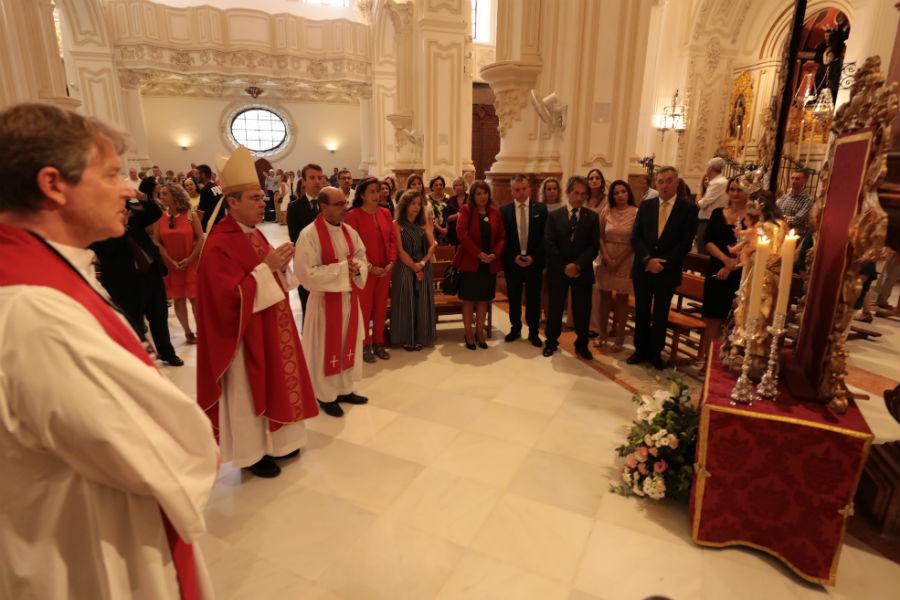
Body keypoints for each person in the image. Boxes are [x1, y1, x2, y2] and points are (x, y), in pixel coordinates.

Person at [0, 102, 217, 599]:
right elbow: (145, 451)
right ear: (54, 185)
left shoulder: (49, 273)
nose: (128, 190)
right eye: (113, 174)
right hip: (87, 547)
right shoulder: (36, 312)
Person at [196, 146, 318, 478]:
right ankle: (252, 455)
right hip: (242, 335)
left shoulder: (253, 232)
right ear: (232, 203)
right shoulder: (219, 242)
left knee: (279, 380)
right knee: (247, 392)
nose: (263, 201)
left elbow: (265, 273)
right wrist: (268, 268)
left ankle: (280, 443)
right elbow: (226, 297)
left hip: (270, 325)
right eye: (254, 198)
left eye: (260, 197)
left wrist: (277, 266)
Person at [295, 186, 370, 418]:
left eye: (345, 203)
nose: (344, 209)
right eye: (339, 205)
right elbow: (306, 274)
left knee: (348, 343)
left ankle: (345, 389)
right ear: (323, 206)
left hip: (349, 299)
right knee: (325, 349)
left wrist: (358, 267)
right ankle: (326, 395)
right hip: (325, 304)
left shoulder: (349, 231)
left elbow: (361, 255)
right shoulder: (309, 235)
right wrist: (341, 270)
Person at [93, 179, 184, 367]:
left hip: (150, 272)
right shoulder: (96, 221)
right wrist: (119, 229)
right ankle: (140, 359)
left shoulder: (128, 208)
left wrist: (141, 197)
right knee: (133, 321)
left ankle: (167, 353)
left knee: (159, 316)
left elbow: (155, 213)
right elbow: (103, 251)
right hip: (125, 280)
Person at [628, 166, 699, 370]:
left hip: (667, 272)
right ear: (656, 184)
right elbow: (636, 237)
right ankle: (640, 349)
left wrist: (661, 262)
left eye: (669, 181)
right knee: (641, 311)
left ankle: (655, 352)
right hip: (643, 269)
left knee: (660, 314)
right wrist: (648, 260)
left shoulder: (688, 209)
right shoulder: (647, 205)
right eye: (661, 181)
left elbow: (685, 243)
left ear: (677, 182)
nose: (665, 185)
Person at [543, 176, 600, 359]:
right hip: (558, 270)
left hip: (581, 271)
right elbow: (549, 242)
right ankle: (551, 341)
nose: (580, 197)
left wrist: (577, 265)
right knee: (555, 307)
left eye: (583, 194)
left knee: (582, 308)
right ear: (567, 193)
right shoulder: (554, 216)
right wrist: (565, 266)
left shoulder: (592, 217)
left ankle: (582, 343)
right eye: (576, 193)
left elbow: (594, 246)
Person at [344, 177, 396, 362]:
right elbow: (352, 247)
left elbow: (391, 239)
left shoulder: (385, 212)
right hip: (365, 272)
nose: (377, 194)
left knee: (381, 308)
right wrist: (370, 267)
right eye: (372, 191)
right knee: (365, 309)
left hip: (384, 269)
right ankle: (365, 344)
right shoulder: (353, 216)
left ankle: (379, 342)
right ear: (362, 195)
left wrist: (390, 261)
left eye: (378, 190)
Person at [698, 176, 749, 362]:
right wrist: (725, 259)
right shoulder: (718, 212)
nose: (735, 193)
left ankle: (722, 358)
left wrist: (731, 266)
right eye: (732, 189)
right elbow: (708, 240)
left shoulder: (752, 217)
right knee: (711, 316)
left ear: (747, 192)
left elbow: (749, 247)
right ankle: (706, 358)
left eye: (739, 189)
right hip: (716, 268)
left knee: (728, 318)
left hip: (739, 273)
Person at [455, 180, 506, 349]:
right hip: (471, 262)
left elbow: (501, 237)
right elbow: (462, 234)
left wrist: (494, 254)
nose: (482, 196)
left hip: (489, 263)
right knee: (469, 299)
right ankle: (468, 332)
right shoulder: (466, 210)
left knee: (484, 299)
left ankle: (480, 332)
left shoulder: (494, 212)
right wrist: (478, 253)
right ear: (473, 195)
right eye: (478, 193)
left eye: (485, 193)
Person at [501, 174, 547, 347]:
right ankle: (515, 328)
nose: (520, 193)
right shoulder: (504, 211)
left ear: (529, 189)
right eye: (516, 190)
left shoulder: (541, 209)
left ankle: (533, 331)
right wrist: (514, 256)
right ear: (511, 191)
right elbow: (502, 239)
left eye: (523, 189)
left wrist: (533, 257)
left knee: (534, 298)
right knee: (514, 297)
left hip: (533, 262)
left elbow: (545, 238)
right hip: (513, 262)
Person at [593, 180, 638, 353]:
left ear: (628, 193)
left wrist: (618, 259)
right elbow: (600, 236)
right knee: (604, 299)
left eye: (623, 192)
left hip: (626, 259)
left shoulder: (636, 213)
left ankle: (619, 337)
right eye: (616, 192)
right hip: (606, 258)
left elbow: (635, 240)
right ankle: (602, 334)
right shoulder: (606, 211)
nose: (620, 195)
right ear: (612, 196)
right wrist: (606, 256)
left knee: (621, 300)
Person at [390, 190, 437, 350]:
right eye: (413, 204)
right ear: (405, 205)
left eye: (419, 204)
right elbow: (399, 250)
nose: (417, 207)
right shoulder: (397, 224)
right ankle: (405, 338)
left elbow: (433, 245)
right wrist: (412, 265)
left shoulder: (423, 223)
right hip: (404, 267)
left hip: (423, 266)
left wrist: (422, 263)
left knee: (421, 302)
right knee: (406, 301)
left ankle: (421, 337)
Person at [158, 183, 202, 344]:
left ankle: (201, 330)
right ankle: (187, 332)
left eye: (164, 194)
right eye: (161, 194)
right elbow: (157, 242)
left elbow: (200, 238)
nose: (161, 197)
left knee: (195, 299)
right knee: (178, 299)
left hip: (190, 263)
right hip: (172, 266)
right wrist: (169, 261)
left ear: (175, 195)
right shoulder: (161, 217)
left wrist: (190, 259)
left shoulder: (191, 215)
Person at [287, 163, 327, 319]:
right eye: (312, 178)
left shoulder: (328, 204)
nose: (317, 181)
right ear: (303, 181)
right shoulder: (294, 207)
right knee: (308, 308)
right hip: (307, 264)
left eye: (320, 178)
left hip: (327, 263)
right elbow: (295, 237)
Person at [695, 157, 729, 253]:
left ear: (710, 169)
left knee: (702, 252)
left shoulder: (717, 183)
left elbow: (701, 204)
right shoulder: (718, 182)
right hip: (711, 221)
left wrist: (700, 188)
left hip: (708, 222)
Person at [776, 169, 813, 238]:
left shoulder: (807, 200)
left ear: (805, 181)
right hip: (781, 231)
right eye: (792, 178)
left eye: (797, 179)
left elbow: (797, 219)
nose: (793, 181)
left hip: (795, 235)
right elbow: (776, 210)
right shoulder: (785, 197)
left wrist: (781, 218)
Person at [196, 163, 224, 232]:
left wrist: (196, 229)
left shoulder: (205, 190)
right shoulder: (217, 186)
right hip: (220, 224)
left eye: (197, 174)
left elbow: (201, 213)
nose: (196, 176)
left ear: (203, 174)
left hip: (210, 227)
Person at [427, 175, 450, 243]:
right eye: (436, 185)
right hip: (432, 229)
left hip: (446, 229)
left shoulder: (448, 198)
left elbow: (449, 214)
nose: (438, 187)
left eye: (441, 184)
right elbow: (429, 216)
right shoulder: (427, 199)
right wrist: (440, 229)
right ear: (432, 187)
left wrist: (446, 228)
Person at [446, 176, 466, 245]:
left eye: (460, 185)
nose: (458, 187)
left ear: (464, 186)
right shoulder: (451, 200)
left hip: (467, 230)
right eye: (456, 185)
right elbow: (447, 218)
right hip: (453, 231)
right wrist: (459, 215)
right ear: (454, 187)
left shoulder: (470, 199)